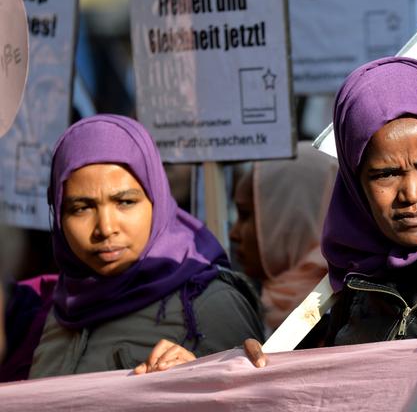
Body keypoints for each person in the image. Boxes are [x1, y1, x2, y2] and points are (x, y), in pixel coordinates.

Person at [142, 56, 417, 370]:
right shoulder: (354, 275)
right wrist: (239, 373)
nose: (413, 194)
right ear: (353, 181)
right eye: (385, 174)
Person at [29, 114, 264, 378]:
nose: (105, 228)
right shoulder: (60, 309)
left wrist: (197, 382)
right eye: (81, 208)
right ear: (59, 215)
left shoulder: (207, 304)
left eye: (125, 202)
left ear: (157, 199)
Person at [229, 142, 336, 334]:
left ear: (291, 218)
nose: (234, 234)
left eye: (246, 215)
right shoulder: (264, 301)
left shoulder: (347, 304)